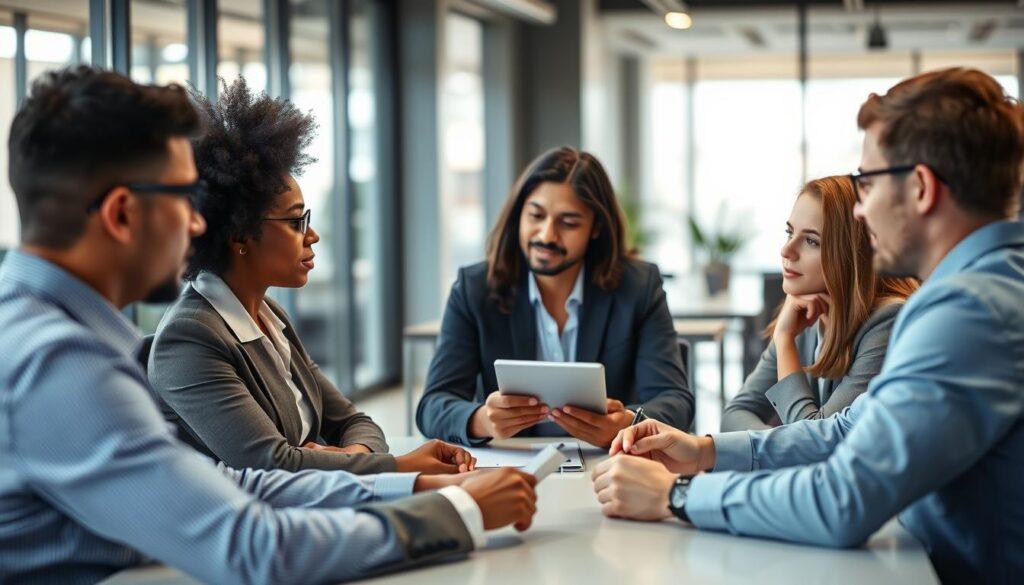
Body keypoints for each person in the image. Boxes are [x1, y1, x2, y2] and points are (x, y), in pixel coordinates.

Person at [0, 66, 538, 584]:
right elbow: (252, 548)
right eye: (183, 200)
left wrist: (415, 484)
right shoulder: (55, 363)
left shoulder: (55, 334)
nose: (197, 223)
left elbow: (230, 483)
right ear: (120, 215)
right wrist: (456, 513)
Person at [591, 67, 1024, 584]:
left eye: (866, 184)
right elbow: (848, 429)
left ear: (922, 188)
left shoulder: (970, 312)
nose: (859, 213)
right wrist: (702, 451)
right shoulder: (981, 289)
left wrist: (675, 496)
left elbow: (843, 500)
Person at [147, 79, 467, 475]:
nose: (312, 236)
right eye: (297, 221)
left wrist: (343, 456)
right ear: (241, 234)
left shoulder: (270, 316)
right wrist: (394, 466)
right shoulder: (190, 338)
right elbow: (270, 463)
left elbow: (354, 422)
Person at [416, 147, 693, 447]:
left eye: (569, 222)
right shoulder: (475, 289)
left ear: (596, 227)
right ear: (519, 213)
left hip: (608, 468)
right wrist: (481, 420)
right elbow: (433, 405)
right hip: (508, 471)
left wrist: (627, 423)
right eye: (536, 215)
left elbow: (675, 400)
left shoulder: (638, 287)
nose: (547, 235)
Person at [721, 176, 917, 431]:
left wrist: (784, 340)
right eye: (789, 232)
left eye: (811, 241)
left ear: (850, 255)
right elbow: (734, 414)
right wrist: (776, 449)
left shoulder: (886, 322)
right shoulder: (804, 313)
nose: (787, 250)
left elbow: (817, 439)